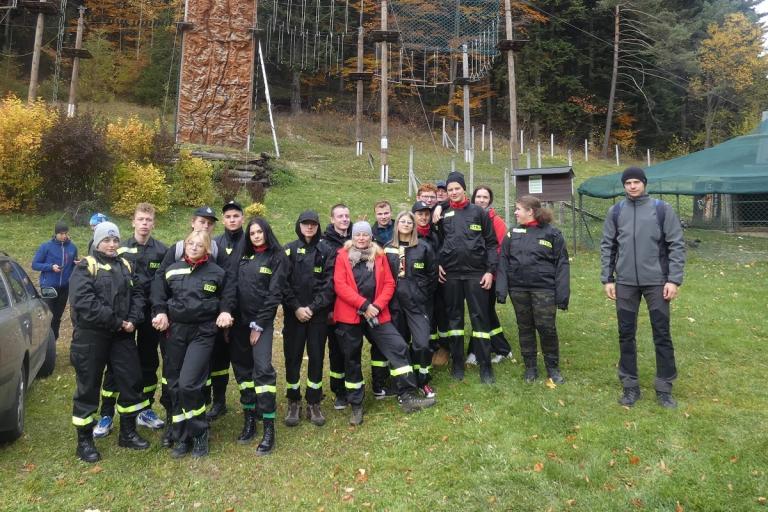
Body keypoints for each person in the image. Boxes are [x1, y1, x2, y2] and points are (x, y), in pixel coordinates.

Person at [333, 221, 436, 425]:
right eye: (357, 235)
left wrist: (377, 306)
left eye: (365, 235)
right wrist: (363, 305)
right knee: (351, 358)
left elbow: (389, 283)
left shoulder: (379, 256)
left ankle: (407, 396)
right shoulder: (342, 256)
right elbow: (340, 285)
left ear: (371, 237)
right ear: (352, 238)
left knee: (398, 347)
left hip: (377, 313)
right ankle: (356, 405)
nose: (361, 238)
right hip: (351, 315)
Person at [600, 167, 685, 408]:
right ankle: (630, 386)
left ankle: (664, 387)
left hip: (657, 283)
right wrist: (608, 279)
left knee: (662, 334)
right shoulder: (615, 211)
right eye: (628, 182)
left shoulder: (661, 209)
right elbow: (608, 246)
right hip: (625, 283)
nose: (632, 186)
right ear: (624, 186)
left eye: (636, 181)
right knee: (626, 334)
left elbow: (676, 245)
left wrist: (673, 280)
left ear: (644, 183)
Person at [69, 222, 149, 463]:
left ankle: (127, 432)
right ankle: (85, 442)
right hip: (92, 336)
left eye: (115, 239)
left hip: (122, 335)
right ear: (97, 242)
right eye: (107, 240)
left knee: (131, 380)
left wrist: (134, 319)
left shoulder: (125, 265)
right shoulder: (85, 267)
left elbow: (137, 294)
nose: (112, 244)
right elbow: (85, 302)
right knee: (88, 386)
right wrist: (117, 322)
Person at [150, 230, 233, 458]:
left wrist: (225, 312)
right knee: (175, 385)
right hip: (176, 331)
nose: (194, 247)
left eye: (199, 244)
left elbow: (228, 296)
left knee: (189, 384)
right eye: (190, 243)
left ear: (207, 248)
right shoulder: (172, 270)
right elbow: (159, 294)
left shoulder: (217, 272)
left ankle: (199, 434)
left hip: (203, 333)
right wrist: (160, 312)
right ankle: (182, 434)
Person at [106, 204, 169, 436]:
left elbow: (164, 284)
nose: (144, 223)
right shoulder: (119, 250)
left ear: (153, 223)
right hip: (124, 315)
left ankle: (146, 408)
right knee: (116, 362)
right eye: (140, 219)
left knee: (148, 359)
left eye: (148, 220)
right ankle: (106, 413)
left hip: (151, 315)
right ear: (132, 222)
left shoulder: (162, 252)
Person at [497, 196, 570, 384]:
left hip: (544, 290)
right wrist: (502, 290)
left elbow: (562, 265)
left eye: (518, 209)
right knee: (525, 328)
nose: (515, 212)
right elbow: (503, 261)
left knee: (546, 328)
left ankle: (552, 368)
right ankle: (530, 367)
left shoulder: (552, 233)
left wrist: (562, 295)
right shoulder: (512, 233)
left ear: (530, 211)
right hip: (518, 289)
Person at [229, 217, 287, 455]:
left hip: (259, 324)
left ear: (266, 232)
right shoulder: (241, 257)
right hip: (237, 324)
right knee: (243, 371)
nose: (255, 236)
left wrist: (260, 325)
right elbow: (231, 287)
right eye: (251, 233)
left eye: (259, 232)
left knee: (262, 370)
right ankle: (250, 418)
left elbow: (274, 295)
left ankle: (269, 428)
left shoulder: (277, 257)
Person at [436, 172, 498, 384]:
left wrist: (490, 270)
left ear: (464, 189)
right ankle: (457, 363)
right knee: (455, 319)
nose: (453, 192)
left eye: (456, 188)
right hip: (451, 276)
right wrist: (438, 265)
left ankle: (485, 366)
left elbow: (491, 243)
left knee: (480, 318)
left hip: (476, 275)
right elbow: (437, 244)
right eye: (450, 189)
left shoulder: (478, 212)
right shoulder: (443, 215)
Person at [282, 210, 335, 427]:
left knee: (316, 357)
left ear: (318, 226)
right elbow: (282, 283)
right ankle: (293, 401)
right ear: (299, 225)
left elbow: (329, 284)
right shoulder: (288, 250)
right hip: (294, 317)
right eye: (306, 224)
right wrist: (296, 307)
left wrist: (312, 308)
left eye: (313, 224)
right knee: (292, 358)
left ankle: (314, 401)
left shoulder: (326, 250)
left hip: (317, 317)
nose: (310, 227)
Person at [385, 211, 438, 397]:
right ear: (397, 224)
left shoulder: (423, 247)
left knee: (422, 344)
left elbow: (432, 276)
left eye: (409, 222)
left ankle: (423, 381)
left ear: (414, 226)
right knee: (399, 345)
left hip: (417, 305)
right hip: (394, 305)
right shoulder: (387, 248)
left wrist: (421, 293)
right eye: (403, 221)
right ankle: (401, 383)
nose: (406, 224)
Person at [206, 201, 247, 421]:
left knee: (242, 359)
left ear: (243, 218)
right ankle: (218, 401)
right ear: (223, 220)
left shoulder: (250, 241)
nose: (232, 220)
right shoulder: (214, 244)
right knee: (218, 359)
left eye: (236, 216)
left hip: (243, 310)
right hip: (218, 310)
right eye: (228, 216)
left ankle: (249, 402)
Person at [466, 186, 513, 366]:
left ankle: (476, 352)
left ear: (490, 201)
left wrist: (491, 272)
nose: (481, 200)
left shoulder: (497, 222)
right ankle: (502, 348)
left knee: (482, 312)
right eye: (478, 196)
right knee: (485, 312)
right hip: (472, 273)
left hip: (489, 274)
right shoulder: (469, 217)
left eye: (485, 197)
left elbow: (501, 249)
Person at [320, 204, 351, 409]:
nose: (344, 219)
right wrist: (328, 307)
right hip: (334, 305)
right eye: (340, 216)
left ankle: (354, 386)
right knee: (336, 349)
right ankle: (339, 390)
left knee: (352, 348)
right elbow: (325, 278)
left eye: (347, 216)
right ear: (332, 220)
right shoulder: (324, 243)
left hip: (355, 303)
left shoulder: (357, 238)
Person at [32, 221, 78, 340]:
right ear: (56, 234)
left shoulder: (72, 247)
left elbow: (73, 266)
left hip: (64, 287)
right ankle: (43, 344)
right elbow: (35, 264)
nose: (64, 236)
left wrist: (77, 265)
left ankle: (53, 344)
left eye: (66, 233)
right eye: (61, 234)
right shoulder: (46, 246)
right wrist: (50, 267)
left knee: (57, 317)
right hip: (48, 286)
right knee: (48, 317)